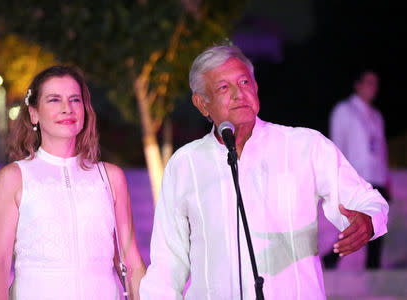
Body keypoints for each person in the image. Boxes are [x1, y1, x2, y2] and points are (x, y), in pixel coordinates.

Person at [139, 45, 389, 299]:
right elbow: (167, 266)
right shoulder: (185, 165)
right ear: (202, 104)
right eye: (224, 87)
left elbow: (367, 201)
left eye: (245, 81)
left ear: (256, 88)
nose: (239, 94)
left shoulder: (305, 146)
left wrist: (368, 221)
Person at [0, 65, 146, 299]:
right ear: (34, 113)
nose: (66, 109)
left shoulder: (110, 177)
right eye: (53, 100)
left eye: (74, 100)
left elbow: (131, 262)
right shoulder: (14, 178)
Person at [323, 70, 390, 269]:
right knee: (354, 223)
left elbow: (381, 148)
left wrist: (385, 177)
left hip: (376, 177)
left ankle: (373, 269)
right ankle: (332, 258)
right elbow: (336, 144)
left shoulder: (376, 116)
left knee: (376, 224)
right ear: (358, 84)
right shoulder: (344, 111)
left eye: (375, 83)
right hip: (355, 178)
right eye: (369, 82)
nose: (373, 88)